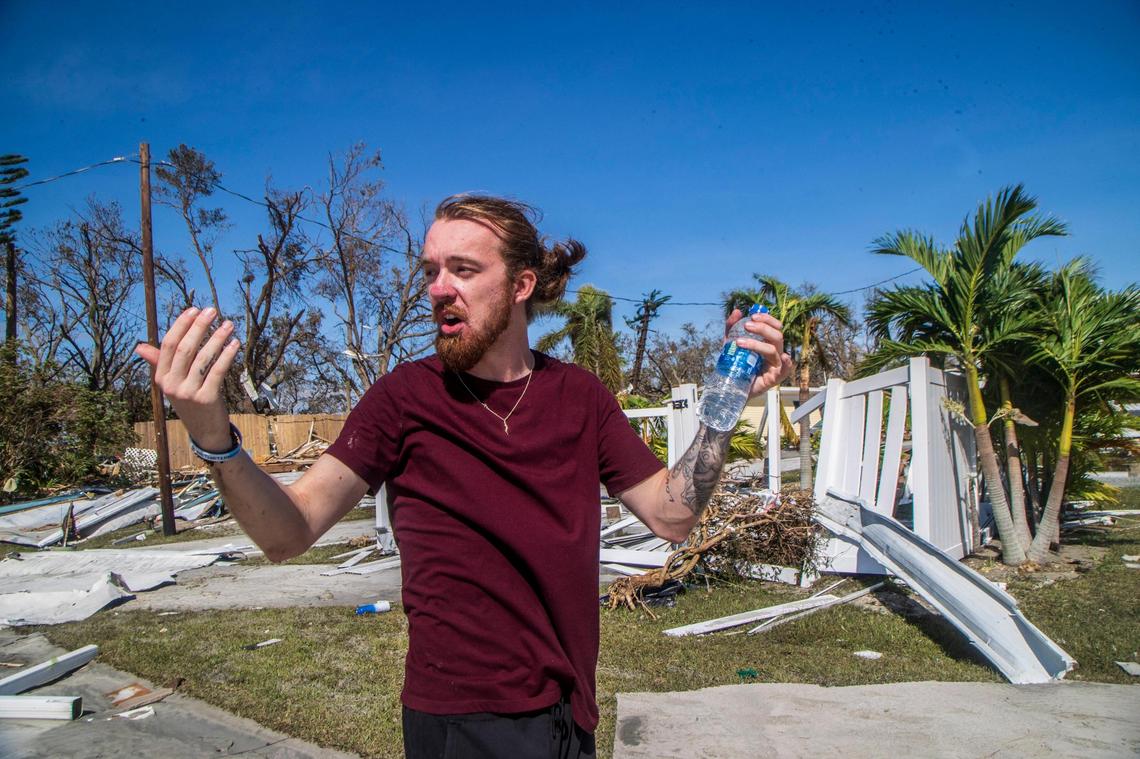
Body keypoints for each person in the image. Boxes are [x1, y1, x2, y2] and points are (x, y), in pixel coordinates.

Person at [136, 194, 793, 759]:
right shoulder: (403, 400)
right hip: (461, 723)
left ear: (521, 285)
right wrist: (214, 438)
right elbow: (290, 530)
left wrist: (727, 399)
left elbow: (672, 514)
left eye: (464, 269)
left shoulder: (581, 398)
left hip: (571, 713)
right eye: (431, 270)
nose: (437, 288)